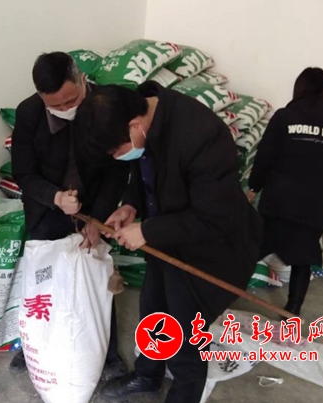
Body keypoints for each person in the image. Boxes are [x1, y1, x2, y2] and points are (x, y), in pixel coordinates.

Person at [74, 83, 262, 403]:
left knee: (186, 335)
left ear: (135, 126)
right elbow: (143, 170)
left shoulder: (202, 135)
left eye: (116, 151)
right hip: (166, 241)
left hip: (208, 249)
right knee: (153, 312)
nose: (118, 157)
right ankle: (147, 376)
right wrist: (131, 205)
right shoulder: (141, 122)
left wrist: (147, 231)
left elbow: (214, 217)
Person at [11, 52, 130, 378]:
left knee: (96, 278)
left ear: (82, 79)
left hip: (94, 203)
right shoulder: (29, 112)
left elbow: (117, 171)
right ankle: (35, 342)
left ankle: (108, 354)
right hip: (48, 206)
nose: (65, 108)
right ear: (41, 96)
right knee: (44, 281)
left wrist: (98, 220)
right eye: (56, 105)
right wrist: (55, 197)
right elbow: (24, 172)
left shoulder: (105, 105)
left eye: (71, 100)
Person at [247, 67, 323, 316]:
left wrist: (254, 187)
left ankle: (223, 294)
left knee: (253, 248)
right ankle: (292, 310)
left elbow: (265, 157)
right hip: (315, 208)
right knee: (303, 256)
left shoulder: (285, 117)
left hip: (279, 201)